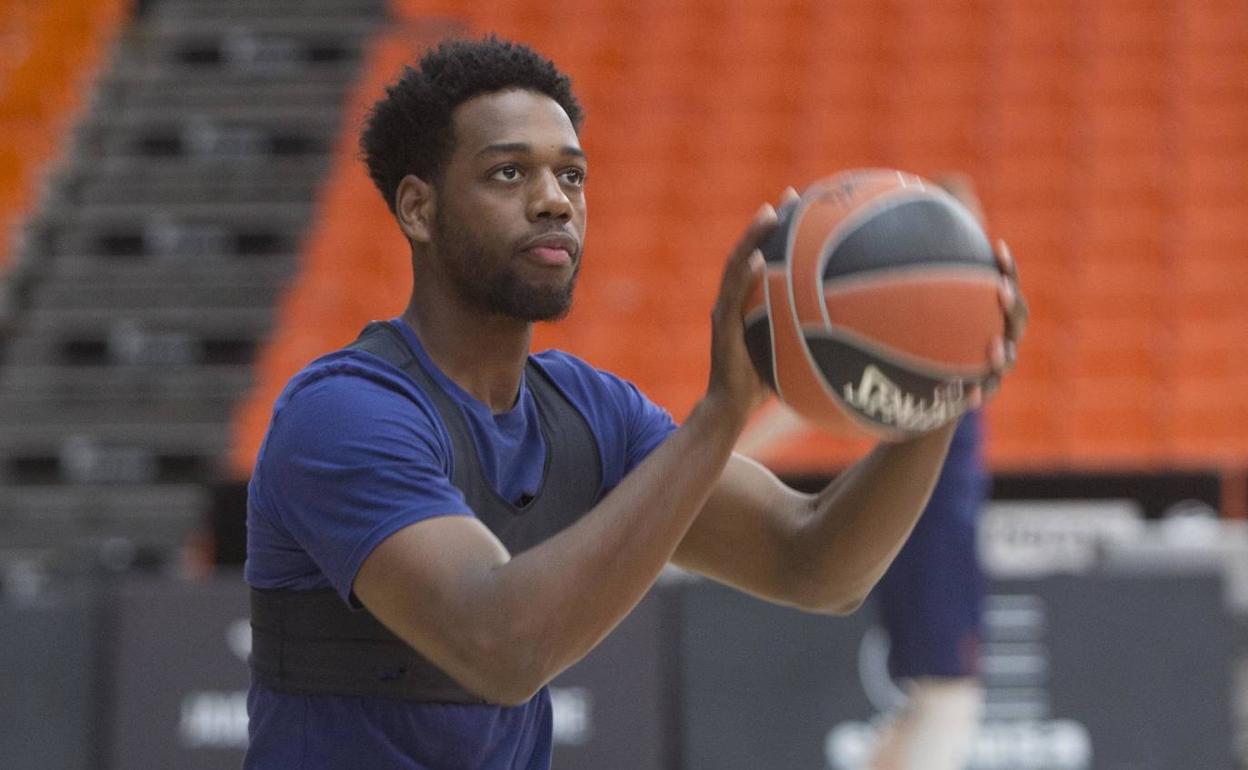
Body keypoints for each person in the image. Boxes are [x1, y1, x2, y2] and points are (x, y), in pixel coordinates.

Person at [242, 37, 1026, 770]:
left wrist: (940, 385)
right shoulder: (342, 414)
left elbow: (816, 563)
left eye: (572, 175)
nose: (555, 201)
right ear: (417, 208)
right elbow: (501, 648)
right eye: (509, 173)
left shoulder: (591, 413)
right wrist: (720, 413)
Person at [736, 174, 995, 770]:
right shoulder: (936, 337)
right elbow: (812, 406)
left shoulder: (924, 336)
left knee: (926, 706)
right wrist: (734, 444)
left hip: (918, 532)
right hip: (933, 537)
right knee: (948, 702)